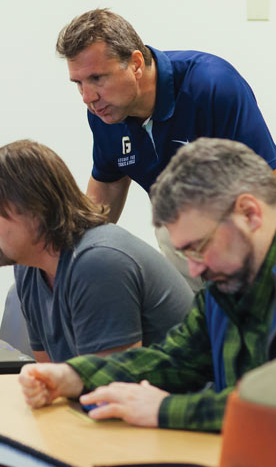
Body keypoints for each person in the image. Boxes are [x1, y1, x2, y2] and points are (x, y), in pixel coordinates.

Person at [19, 138, 276, 432]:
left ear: (249, 214)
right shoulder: (224, 289)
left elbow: (266, 410)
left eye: (199, 246)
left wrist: (165, 409)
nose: (194, 268)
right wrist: (73, 376)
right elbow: (174, 361)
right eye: (185, 253)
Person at [56, 8, 276, 290]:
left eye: (97, 78)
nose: (88, 97)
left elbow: (266, 181)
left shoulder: (211, 85)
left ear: (135, 64)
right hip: (180, 237)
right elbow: (107, 187)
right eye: (79, 83)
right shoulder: (104, 114)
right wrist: (72, 260)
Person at [0, 139, 192, 364]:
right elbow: (52, 377)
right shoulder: (29, 267)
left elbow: (110, 386)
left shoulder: (99, 262)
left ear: (36, 210)